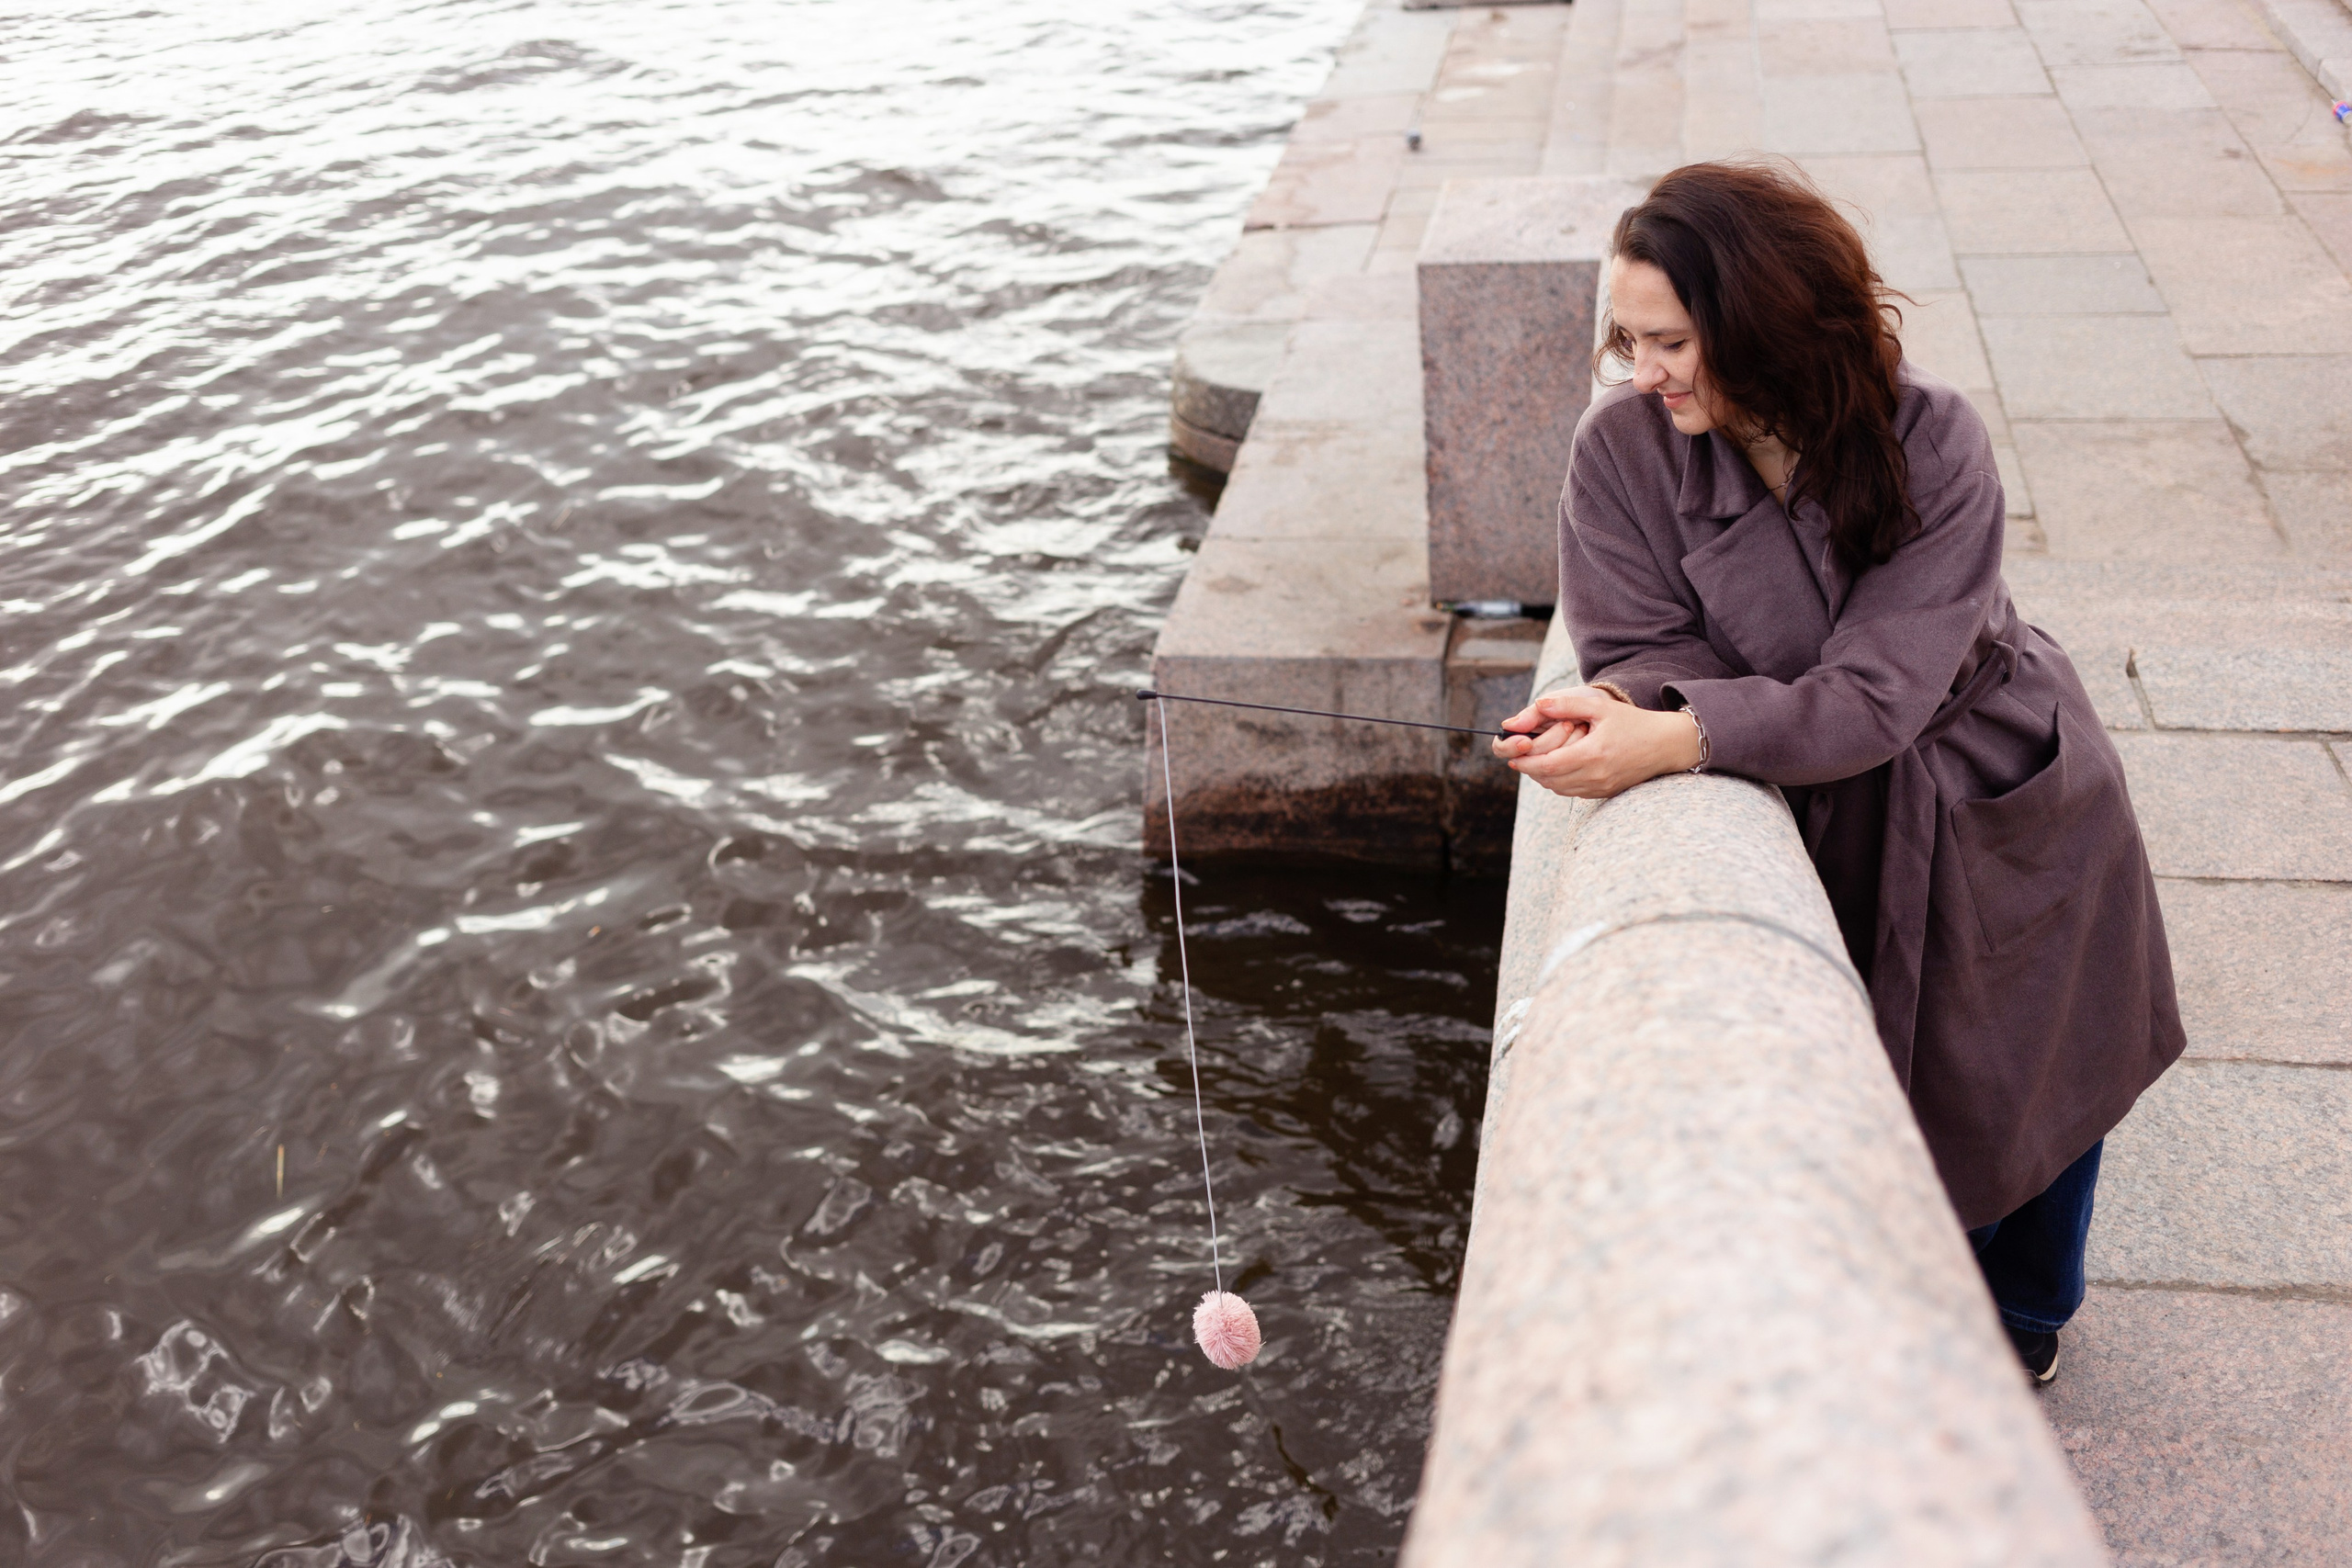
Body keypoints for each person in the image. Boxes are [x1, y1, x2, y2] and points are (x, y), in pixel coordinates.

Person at [1491, 160, 2185, 1386]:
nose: (1640, 372)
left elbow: (1880, 690)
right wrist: (1633, 710)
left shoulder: (1935, 440)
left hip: (1993, 778)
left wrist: (1689, 729)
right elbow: (1640, 644)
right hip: (1820, 797)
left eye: (1669, 342)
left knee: (2032, 1063)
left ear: (1763, 325)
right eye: (1627, 338)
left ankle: (2025, 1320)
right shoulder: (1622, 452)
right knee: (1900, 1091)